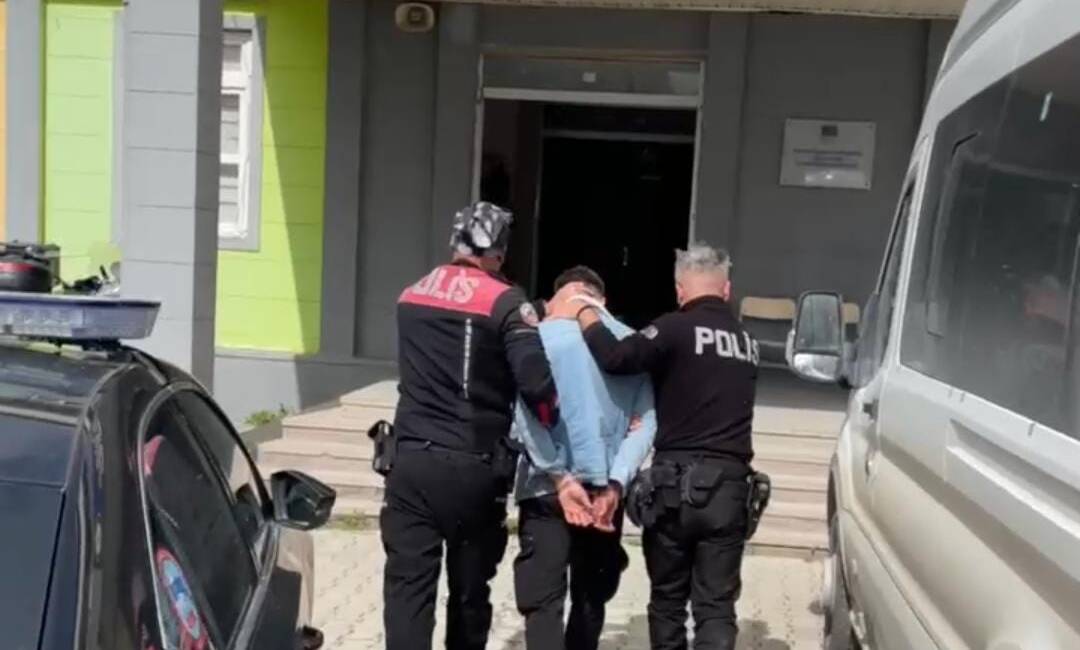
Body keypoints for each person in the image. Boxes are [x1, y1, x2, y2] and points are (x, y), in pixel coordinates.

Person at [550, 243, 759, 650]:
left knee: (668, 602)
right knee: (716, 608)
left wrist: (584, 311)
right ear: (726, 289)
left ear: (680, 290)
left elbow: (616, 356)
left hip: (674, 487)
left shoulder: (674, 328)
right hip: (730, 487)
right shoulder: (746, 341)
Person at [383, 201, 561, 650]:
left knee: (407, 590)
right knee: (468, 592)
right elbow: (536, 385)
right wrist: (553, 420)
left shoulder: (411, 294)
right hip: (472, 464)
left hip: (408, 459)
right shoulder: (507, 302)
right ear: (498, 251)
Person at [512, 265, 657, 650]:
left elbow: (523, 418)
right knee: (591, 596)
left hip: (545, 487)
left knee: (542, 602)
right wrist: (617, 482)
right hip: (604, 494)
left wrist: (559, 476)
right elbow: (647, 424)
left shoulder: (536, 338)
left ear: (558, 297)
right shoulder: (632, 345)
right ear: (601, 300)